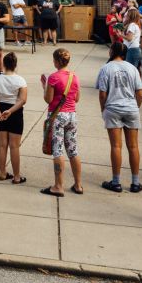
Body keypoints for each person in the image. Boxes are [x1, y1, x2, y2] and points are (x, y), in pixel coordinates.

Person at [96, 42, 142, 193]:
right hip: (131, 108)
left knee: (116, 146)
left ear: (112, 52)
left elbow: (103, 94)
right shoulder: (132, 68)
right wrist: (136, 106)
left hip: (113, 108)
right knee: (133, 146)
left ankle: (116, 182)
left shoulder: (106, 68)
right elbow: (140, 92)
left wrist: (103, 110)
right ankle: (135, 182)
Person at [40, 48, 83, 197]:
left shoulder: (53, 77)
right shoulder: (74, 76)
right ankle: (78, 184)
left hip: (58, 117)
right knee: (73, 150)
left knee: (58, 150)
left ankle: (58, 186)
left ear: (57, 61)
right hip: (72, 116)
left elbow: (48, 99)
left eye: (53, 60)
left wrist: (44, 87)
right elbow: (76, 99)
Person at [0, 52, 28, 184]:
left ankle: (2, 173)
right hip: (15, 112)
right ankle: (17, 176)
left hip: (1, 110)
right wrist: (10, 111)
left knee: (2, 145)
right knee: (14, 146)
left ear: (4, 64)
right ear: (15, 65)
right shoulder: (20, 80)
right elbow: (23, 100)